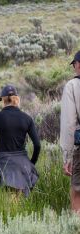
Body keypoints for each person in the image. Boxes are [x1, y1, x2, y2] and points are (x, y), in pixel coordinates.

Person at [0, 84, 41, 196]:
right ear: (16, 98)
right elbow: (37, 145)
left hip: (4, 163)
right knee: (21, 201)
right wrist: (31, 164)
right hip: (22, 163)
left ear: (3, 100)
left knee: (5, 200)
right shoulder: (27, 118)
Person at [60, 50, 80, 212]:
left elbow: (69, 124)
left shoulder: (72, 86)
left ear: (78, 64)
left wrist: (67, 156)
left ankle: (76, 233)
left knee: (77, 192)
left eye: (74, 64)